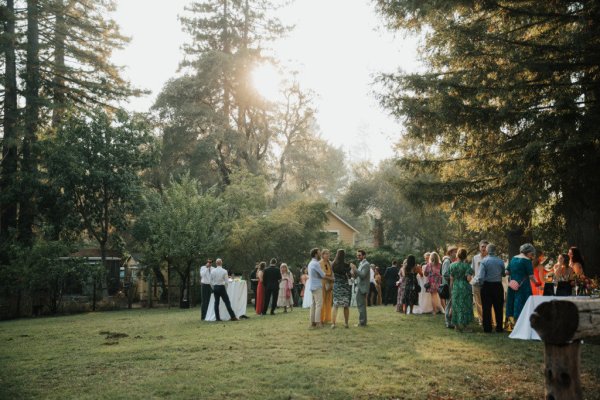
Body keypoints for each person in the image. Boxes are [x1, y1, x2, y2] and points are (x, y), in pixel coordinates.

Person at [505, 243, 540, 329]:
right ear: (527, 252)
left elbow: (507, 272)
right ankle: (521, 326)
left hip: (513, 285)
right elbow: (531, 276)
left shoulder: (513, 258)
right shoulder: (527, 261)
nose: (532, 256)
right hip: (523, 286)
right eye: (531, 253)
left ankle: (513, 324)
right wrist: (537, 283)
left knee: (513, 303)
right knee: (523, 304)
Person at [475, 244, 505, 333]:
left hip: (487, 286)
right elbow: (503, 274)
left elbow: (480, 277)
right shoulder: (500, 261)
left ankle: (487, 328)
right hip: (498, 286)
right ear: (495, 251)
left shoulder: (484, 261)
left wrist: (481, 285)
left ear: (487, 251)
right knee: (499, 308)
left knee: (486, 308)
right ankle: (499, 327)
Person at [449, 248, 474, 332]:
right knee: (465, 306)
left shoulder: (452, 265)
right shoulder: (467, 266)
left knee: (456, 305)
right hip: (464, 287)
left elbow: (451, 278)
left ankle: (456, 326)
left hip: (456, 286)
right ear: (465, 256)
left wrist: (451, 289)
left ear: (457, 255)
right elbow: (468, 279)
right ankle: (465, 327)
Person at [331, 249, 353, 329]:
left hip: (336, 286)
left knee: (335, 305)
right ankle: (346, 323)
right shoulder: (346, 265)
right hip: (344, 287)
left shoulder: (333, 264)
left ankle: (333, 324)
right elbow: (350, 276)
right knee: (346, 305)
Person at [471, 240, 489, 325]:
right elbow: (472, 270)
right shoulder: (475, 258)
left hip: (487, 283)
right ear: (479, 247)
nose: (484, 248)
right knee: (478, 303)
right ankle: (481, 319)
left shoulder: (489, 258)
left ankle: (488, 319)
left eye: (485, 247)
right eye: (482, 246)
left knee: (487, 302)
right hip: (477, 283)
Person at [308, 248, 325, 328]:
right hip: (317, 286)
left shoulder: (310, 263)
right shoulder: (316, 263)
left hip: (312, 286)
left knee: (313, 304)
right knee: (319, 304)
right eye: (319, 253)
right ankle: (318, 322)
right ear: (315, 254)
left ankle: (312, 322)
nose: (320, 254)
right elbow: (323, 275)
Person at [443, 246, 458, 328]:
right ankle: (448, 322)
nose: (456, 253)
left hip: (452, 284)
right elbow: (445, 274)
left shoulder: (452, 261)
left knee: (451, 303)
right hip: (448, 285)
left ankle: (451, 321)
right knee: (449, 303)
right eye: (455, 251)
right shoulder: (447, 261)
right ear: (450, 252)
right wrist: (453, 277)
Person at [355, 249, 370, 326]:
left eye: (359, 255)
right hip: (359, 287)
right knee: (361, 305)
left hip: (362, 288)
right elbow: (359, 275)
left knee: (361, 305)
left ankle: (362, 322)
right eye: (357, 255)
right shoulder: (361, 263)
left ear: (364, 256)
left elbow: (363, 275)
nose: (358, 256)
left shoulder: (366, 264)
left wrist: (355, 269)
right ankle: (362, 322)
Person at [320, 249, 334, 324]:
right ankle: (321, 318)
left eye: (328, 254)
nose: (328, 255)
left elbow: (332, 273)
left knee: (328, 300)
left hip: (329, 283)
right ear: (322, 255)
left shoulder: (330, 263)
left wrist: (332, 280)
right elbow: (322, 274)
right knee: (322, 300)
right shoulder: (320, 263)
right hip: (323, 283)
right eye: (326, 254)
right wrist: (330, 278)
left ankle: (327, 318)